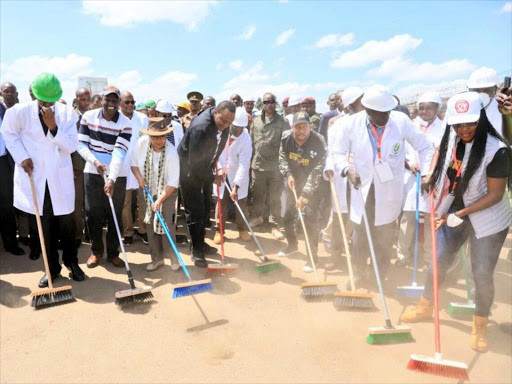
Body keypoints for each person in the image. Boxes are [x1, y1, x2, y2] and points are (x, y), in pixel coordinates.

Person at [400, 92, 512, 353]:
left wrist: (459, 215)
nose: (464, 129)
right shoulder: (453, 136)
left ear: (481, 120)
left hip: (489, 217)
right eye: (458, 124)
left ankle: (480, 323)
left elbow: (495, 195)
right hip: (458, 207)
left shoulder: (498, 151)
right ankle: (426, 305)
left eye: (470, 123)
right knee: (437, 259)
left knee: (481, 272)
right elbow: (441, 150)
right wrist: (431, 175)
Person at [331, 85, 435, 285]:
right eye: (379, 114)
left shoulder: (401, 121)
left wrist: (427, 173)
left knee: (385, 236)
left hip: (389, 190)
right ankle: (360, 276)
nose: (385, 117)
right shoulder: (350, 124)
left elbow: (425, 147)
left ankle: (379, 276)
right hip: (362, 186)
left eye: (387, 112)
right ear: (367, 110)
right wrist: (346, 170)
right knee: (360, 235)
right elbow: (337, 152)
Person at [2, 73, 85, 286]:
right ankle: (52, 268)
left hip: (60, 178)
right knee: (43, 226)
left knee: (66, 225)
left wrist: (53, 127)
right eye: (44, 100)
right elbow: (9, 134)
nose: (48, 104)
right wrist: (21, 157)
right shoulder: (17, 113)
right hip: (36, 178)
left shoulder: (67, 114)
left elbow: (71, 146)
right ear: (35, 95)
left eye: (51, 100)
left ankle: (71, 262)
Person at [78, 86, 132, 268]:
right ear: (101, 100)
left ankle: (113, 253)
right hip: (93, 170)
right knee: (93, 214)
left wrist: (111, 179)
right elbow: (81, 145)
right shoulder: (88, 117)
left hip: (117, 173)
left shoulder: (125, 123)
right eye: (107, 100)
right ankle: (96, 252)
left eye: (114, 101)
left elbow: (119, 152)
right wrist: (95, 162)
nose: (110, 104)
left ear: (119, 103)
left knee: (114, 215)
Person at [178, 101, 235, 267]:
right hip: (189, 171)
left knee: (204, 210)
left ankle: (200, 243)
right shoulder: (200, 128)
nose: (225, 126)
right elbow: (194, 164)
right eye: (222, 121)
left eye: (229, 123)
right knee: (194, 213)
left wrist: (215, 168)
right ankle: (196, 252)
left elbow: (216, 149)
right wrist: (213, 178)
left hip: (205, 168)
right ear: (215, 112)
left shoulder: (225, 124)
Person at [396, 91, 445, 267]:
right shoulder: (411, 125)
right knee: (408, 218)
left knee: (431, 219)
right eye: (421, 108)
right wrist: (410, 162)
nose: (424, 111)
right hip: (411, 177)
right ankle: (403, 256)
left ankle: (428, 259)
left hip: (433, 179)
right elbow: (403, 148)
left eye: (429, 108)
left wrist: (430, 174)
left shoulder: (444, 127)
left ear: (437, 108)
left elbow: (441, 152)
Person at [278, 111, 327, 272]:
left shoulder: (319, 141)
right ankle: (292, 245)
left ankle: (313, 258)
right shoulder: (286, 138)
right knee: (288, 215)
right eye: (297, 127)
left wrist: (305, 195)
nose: (300, 131)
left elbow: (318, 170)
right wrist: (288, 174)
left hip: (313, 186)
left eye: (304, 127)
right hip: (293, 182)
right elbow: (282, 158)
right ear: (292, 127)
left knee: (310, 221)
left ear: (310, 126)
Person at [131, 117, 181, 271]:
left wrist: (159, 200)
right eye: (154, 137)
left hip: (167, 192)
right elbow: (134, 165)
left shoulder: (172, 153)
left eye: (161, 136)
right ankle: (157, 259)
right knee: (150, 225)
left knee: (167, 225)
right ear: (149, 136)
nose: (158, 140)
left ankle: (173, 259)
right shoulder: (141, 144)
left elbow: (173, 183)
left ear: (166, 135)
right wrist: (140, 179)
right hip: (147, 190)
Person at [322, 86, 364, 257]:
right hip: (343, 178)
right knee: (340, 217)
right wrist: (330, 169)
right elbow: (331, 151)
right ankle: (336, 254)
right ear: (351, 105)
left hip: (364, 179)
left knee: (360, 220)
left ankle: (358, 257)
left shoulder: (373, 122)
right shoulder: (338, 125)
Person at [249, 92, 290, 240]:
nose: (269, 105)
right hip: (258, 165)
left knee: (274, 197)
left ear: (276, 103)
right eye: (266, 102)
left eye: (272, 102)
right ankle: (258, 217)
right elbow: (251, 141)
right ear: (263, 104)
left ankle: (274, 225)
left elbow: (286, 144)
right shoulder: (256, 121)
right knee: (257, 194)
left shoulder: (283, 122)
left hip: (275, 167)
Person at [214, 107, 253, 244]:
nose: (238, 131)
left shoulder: (246, 138)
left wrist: (236, 186)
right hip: (221, 173)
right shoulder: (220, 133)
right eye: (235, 127)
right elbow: (216, 154)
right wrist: (219, 170)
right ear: (230, 123)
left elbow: (244, 163)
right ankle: (219, 230)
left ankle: (242, 229)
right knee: (222, 203)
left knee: (240, 202)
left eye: (241, 128)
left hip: (238, 174)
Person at [119, 91, 149, 247]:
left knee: (143, 201)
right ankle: (128, 232)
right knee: (125, 203)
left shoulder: (143, 119)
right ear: (120, 103)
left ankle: (143, 231)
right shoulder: (116, 118)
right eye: (127, 102)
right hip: (122, 166)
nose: (130, 105)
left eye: (132, 102)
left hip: (141, 166)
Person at [0, 84, 24, 256]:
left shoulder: (7, 111)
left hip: (4, 163)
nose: (8, 94)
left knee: (6, 205)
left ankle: (10, 243)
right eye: (5, 91)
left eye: (11, 92)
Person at [71, 87, 91, 248]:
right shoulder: (70, 118)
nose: (85, 102)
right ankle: (77, 235)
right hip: (76, 169)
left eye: (87, 99)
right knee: (77, 206)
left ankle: (90, 234)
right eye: (82, 99)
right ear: (76, 100)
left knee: (91, 204)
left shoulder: (94, 117)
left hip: (92, 167)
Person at [467, 67, 502, 135]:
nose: (482, 95)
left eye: (487, 90)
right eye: (476, 90)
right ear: (469, 90)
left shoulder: (504, 111)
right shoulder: (464, 110)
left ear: (495, 89)